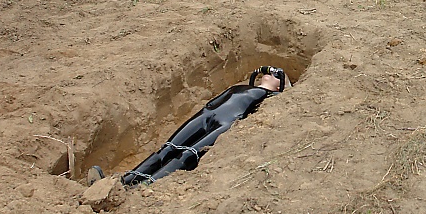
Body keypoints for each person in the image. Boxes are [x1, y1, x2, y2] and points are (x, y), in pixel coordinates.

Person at [88, 66, 289, 187]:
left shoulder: (270, 97)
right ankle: (124, 183)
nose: (269, 73)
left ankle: (145, 189)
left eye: (276, 74)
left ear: (279, 85)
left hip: (225, 123)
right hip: (206, 114)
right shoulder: (244, 87)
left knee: (187, 154)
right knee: (168, 148)